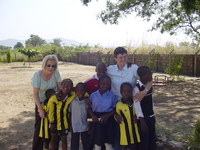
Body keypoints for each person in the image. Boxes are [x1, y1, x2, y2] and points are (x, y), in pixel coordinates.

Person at [106, 47, 152, 150]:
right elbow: (97, 76)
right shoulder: (110, 70)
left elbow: (149, 80)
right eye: (120, 57)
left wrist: (144, 92)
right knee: (118, 130)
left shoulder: (133, 68)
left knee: (131, 131)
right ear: (115, 58)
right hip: (116, 106)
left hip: (130, 106)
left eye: (125, 57)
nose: (123, 59)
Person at [32, 54, 61, 150]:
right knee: (39, 129)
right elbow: (35, 94)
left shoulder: (56, 73)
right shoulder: (37, 75)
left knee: (53, 129)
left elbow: (59, 89)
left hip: (53, 104)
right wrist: (40, 110)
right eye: (48, 65)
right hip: (41, 104)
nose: (51, 68)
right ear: (44, 65)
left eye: (53, 66)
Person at [88, 75, 117, 150]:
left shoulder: (112, 96)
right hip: (96, 119)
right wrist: (93, 116)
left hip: (108, 119)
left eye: (107, 84)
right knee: (98, 142)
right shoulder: (93, 95)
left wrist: (107, 116)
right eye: (103, 83)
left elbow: (114, 109)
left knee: (108, 142)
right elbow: (89, 108)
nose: (105, 85)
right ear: (99, 83)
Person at [47, 79, 76, 150]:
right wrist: (51, 122)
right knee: (53, 140)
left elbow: (83, 92)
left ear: (71, 88)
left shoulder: (72, 95)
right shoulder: (53, 98)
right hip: (54, 123)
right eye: (64, 85)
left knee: (64, 140)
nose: (67, 87)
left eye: (69, 86)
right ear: (61, 86)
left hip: (64, 124)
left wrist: (87, 97)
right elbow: (50, 112)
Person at [133, 66, 156, 150]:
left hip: (151, 117)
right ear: (143, 76)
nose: (151, 75)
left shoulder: (149, 85)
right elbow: (137, 106)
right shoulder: (136, 88)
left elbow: (151, 101)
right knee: (144, 142)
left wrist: (153, 115)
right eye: (149, 73)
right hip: (143, 120)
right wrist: (142, 121)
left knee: (152, 141)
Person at [115, 82, 141, 150]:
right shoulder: (119, 104)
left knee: (134, 145)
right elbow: (116, 115)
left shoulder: (135, 102)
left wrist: (137, 117)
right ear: (121, 92)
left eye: (129, 91)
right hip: (124, 131)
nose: (127, 93)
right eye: (124, 91)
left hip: (134, 130)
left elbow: (138, 112)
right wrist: (117, 117)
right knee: (124, 146)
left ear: (131, 92)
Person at [70, 82, 89, 150]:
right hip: (75, 125)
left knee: (86, 143)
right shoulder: (72, 101)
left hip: (85, 125)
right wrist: (70, 125)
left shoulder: (87, 101)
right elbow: (70, 113)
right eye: (78, 90)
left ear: (85, 91)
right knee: (74, 144)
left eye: (82, 90)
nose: (80, 92)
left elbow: (89, 113)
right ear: (75, 91)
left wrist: (90, 126)